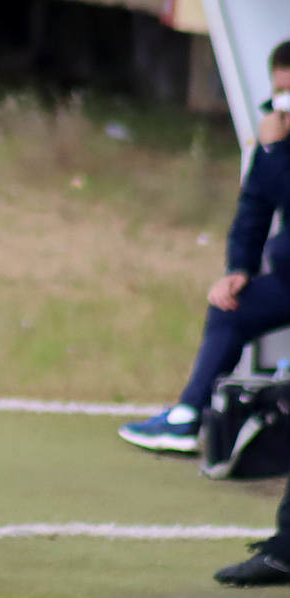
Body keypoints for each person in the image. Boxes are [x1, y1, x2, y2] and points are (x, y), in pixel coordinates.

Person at [120, 40, 290, 454]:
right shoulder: (279, 145)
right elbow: (254, 207)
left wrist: (274, 152)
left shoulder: (279, 150)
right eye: (279, 97)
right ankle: (187, 416)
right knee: (229, 307)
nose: (283, 109)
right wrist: (239, 268)